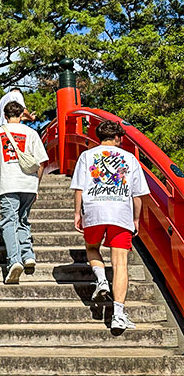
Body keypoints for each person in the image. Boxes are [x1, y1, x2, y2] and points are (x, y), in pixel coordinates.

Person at [70, 120, 150, 331]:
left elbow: (79, 188)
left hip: (94, 210)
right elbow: (137, 195)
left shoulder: (87, 156)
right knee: (120, 263)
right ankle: (118, 314)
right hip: (120, 213)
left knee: (92, 248)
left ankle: (101, 279)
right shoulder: (130, 159)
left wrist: (77, 213)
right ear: (117, 138)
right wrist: (135, 219)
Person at [0, 101, 49, 284]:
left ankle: (14, 260)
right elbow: (42, 162)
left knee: (9, 222)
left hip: (8, 183)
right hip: (28, 184)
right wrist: (36, 185)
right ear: (22, 115)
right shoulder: (32, 133)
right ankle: (28, 255)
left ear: (5, 115)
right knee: (23, 220)